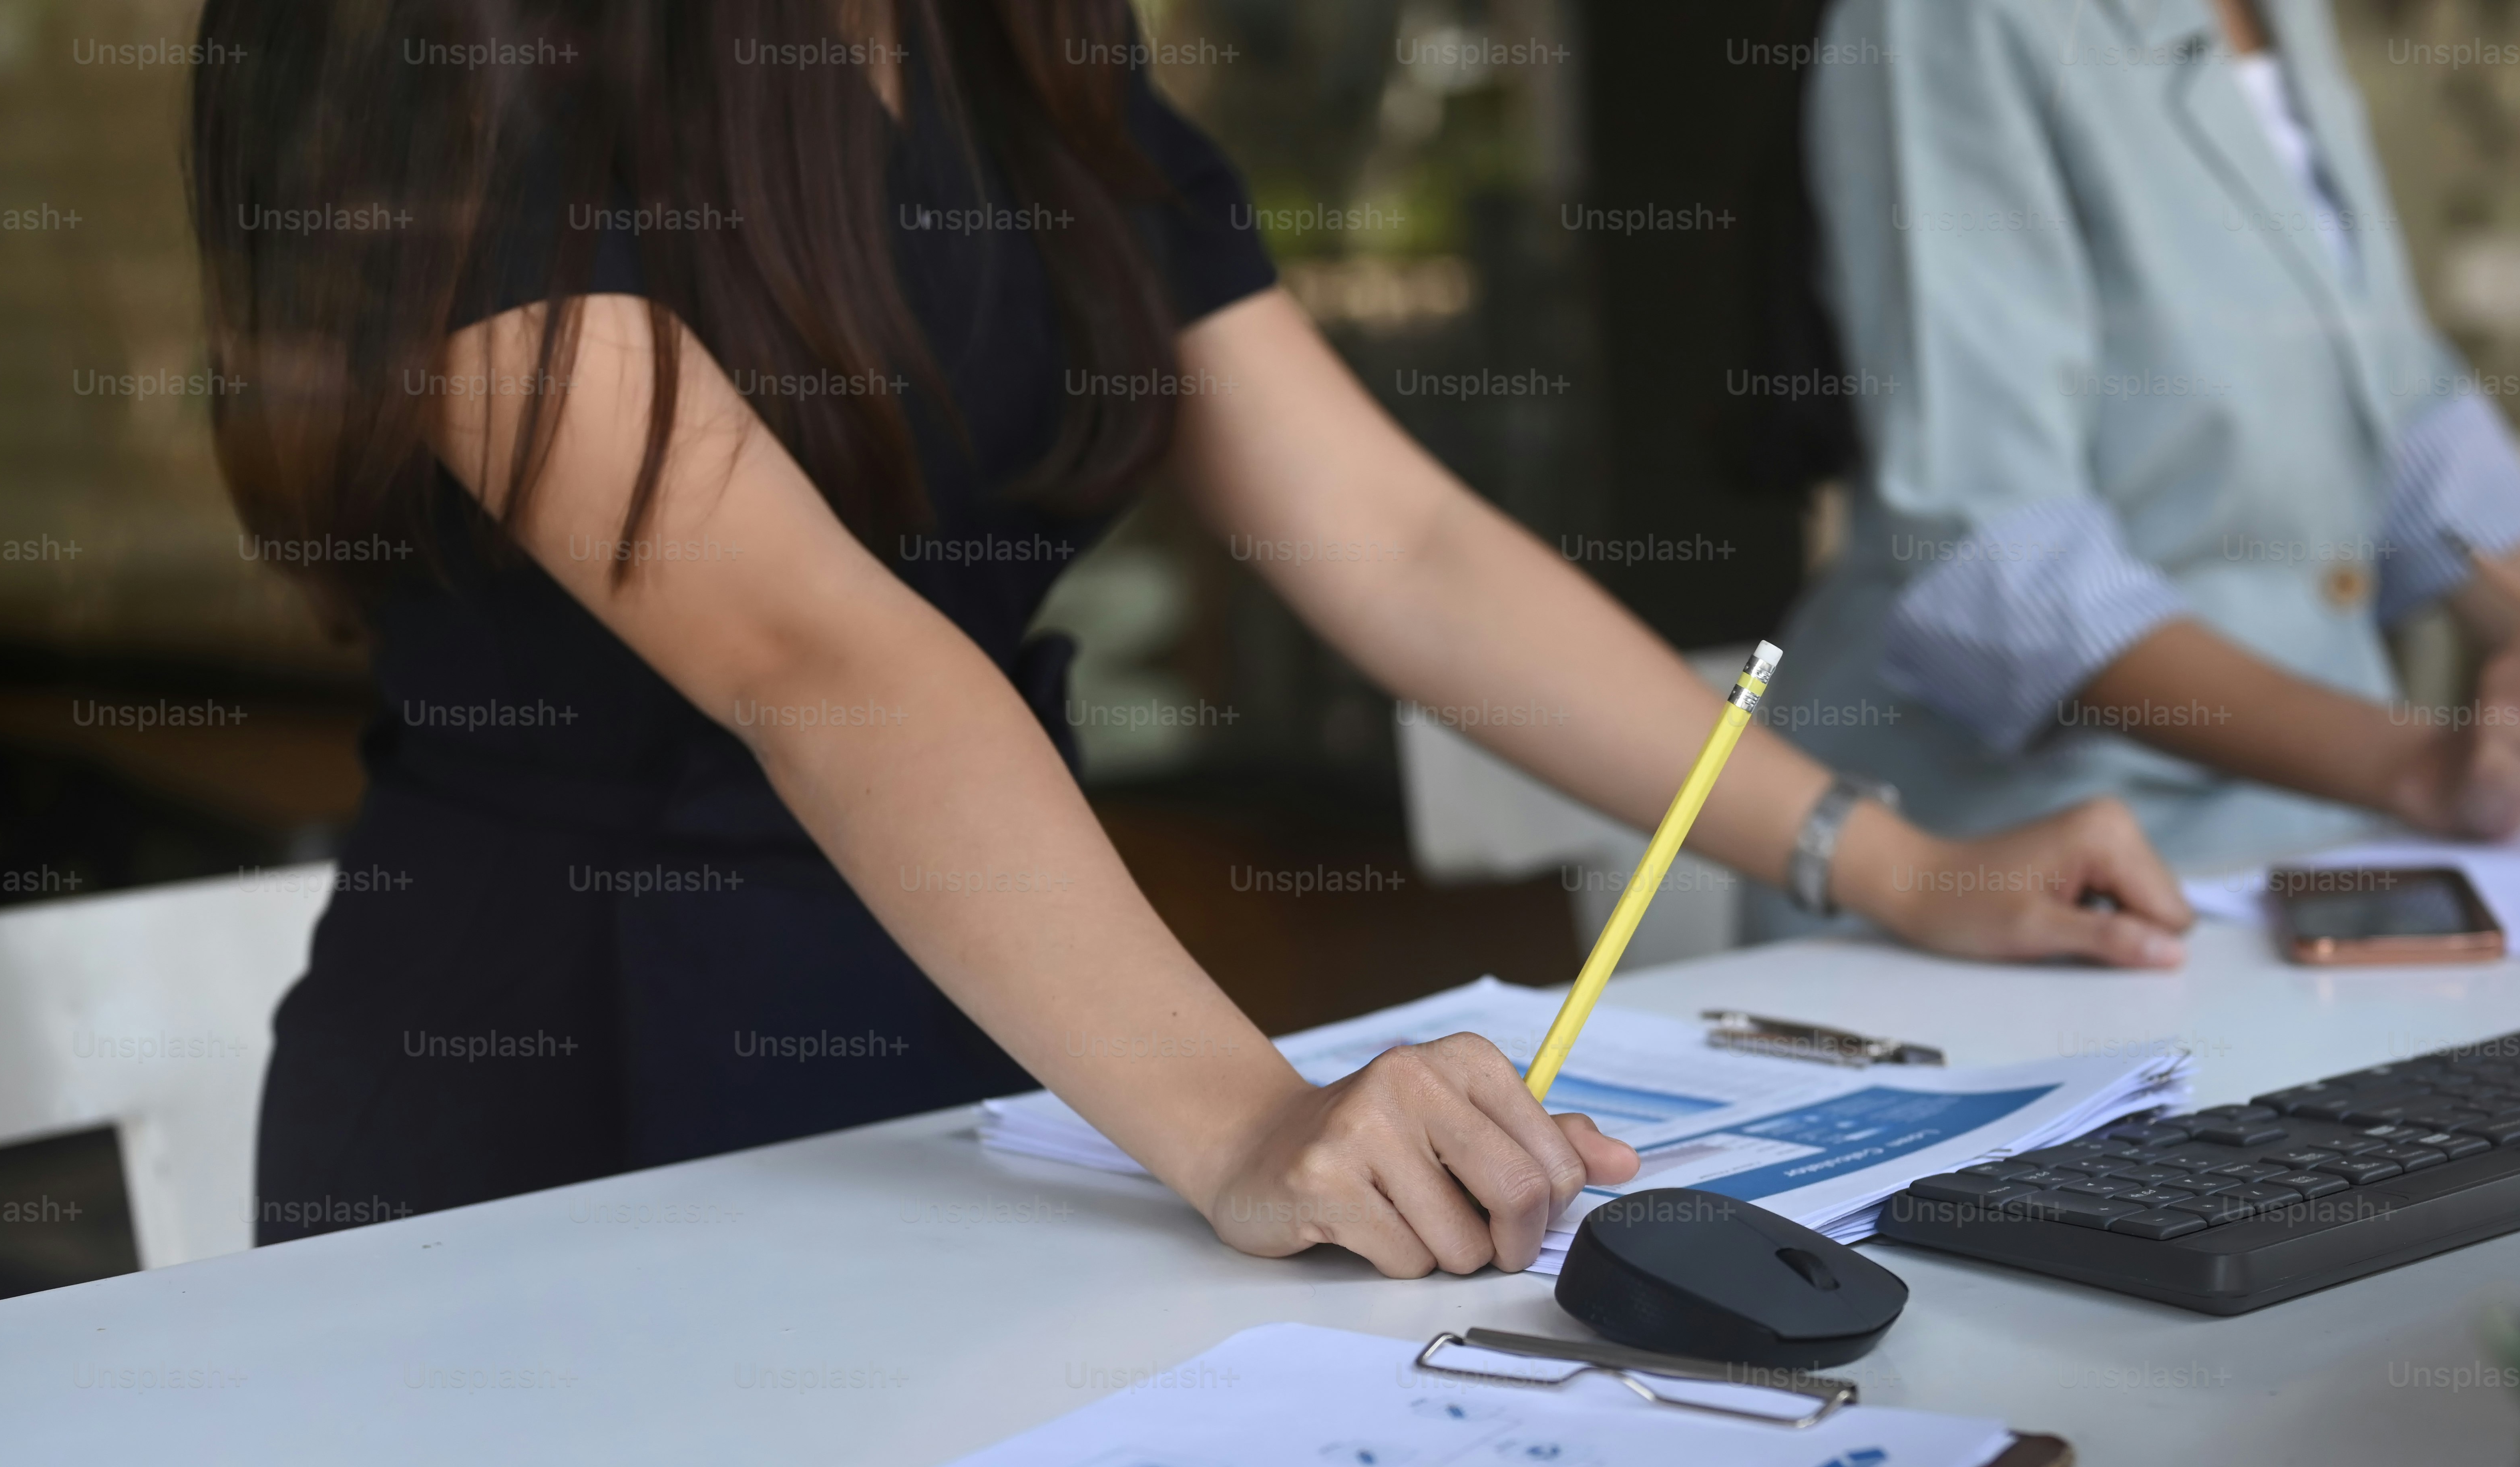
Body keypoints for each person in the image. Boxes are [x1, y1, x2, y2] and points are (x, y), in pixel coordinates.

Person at [189, 0, 2198, 1277]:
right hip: (568, 1100)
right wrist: (1242, 1119)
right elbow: (808, 647)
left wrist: (1887, 856)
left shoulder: (1015, 47)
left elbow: (1401, 543)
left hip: (990, 1039)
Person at [1754, 0, 2520, 925]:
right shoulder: (1949, 16)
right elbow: (2002, 560)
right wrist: (2418, 763)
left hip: (2308, 841)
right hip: (2045, 870)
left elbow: (2393, 399)